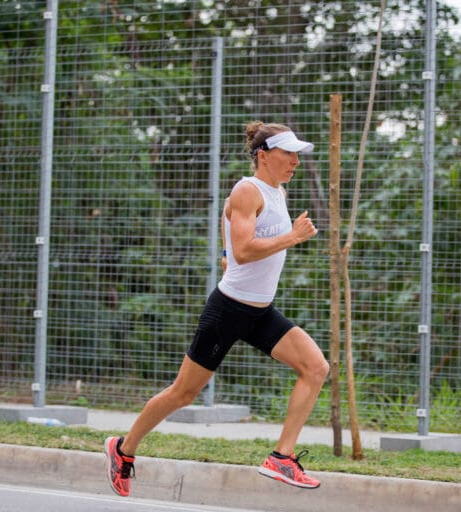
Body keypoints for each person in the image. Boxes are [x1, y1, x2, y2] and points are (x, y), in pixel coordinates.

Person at [104, 121, 330, 496]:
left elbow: (233, 236)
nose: (295, 161)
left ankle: (281, 458)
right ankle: (123, 449)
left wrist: (227, 252)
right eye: (288, 153)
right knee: (183, 393)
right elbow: (244, 247)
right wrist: (291, 237)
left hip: (259, 312)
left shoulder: (276, 192)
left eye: (297, 154)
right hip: (228, 311)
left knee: (316, 367)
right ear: (263, 155)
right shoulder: (247, 188)